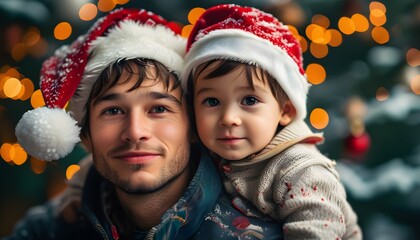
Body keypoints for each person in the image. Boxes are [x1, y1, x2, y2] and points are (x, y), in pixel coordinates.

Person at [7, 8, 283, 240]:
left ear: (194, 128)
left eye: (159, 109)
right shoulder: (48, 229)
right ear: (84, 135)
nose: (136, 132)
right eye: (113, 110)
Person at [181, 4, 362, 239]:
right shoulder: (203, 154)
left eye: (249, 100)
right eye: (212, 102)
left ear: (285, 111)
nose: (228, 118)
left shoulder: (300, 171)